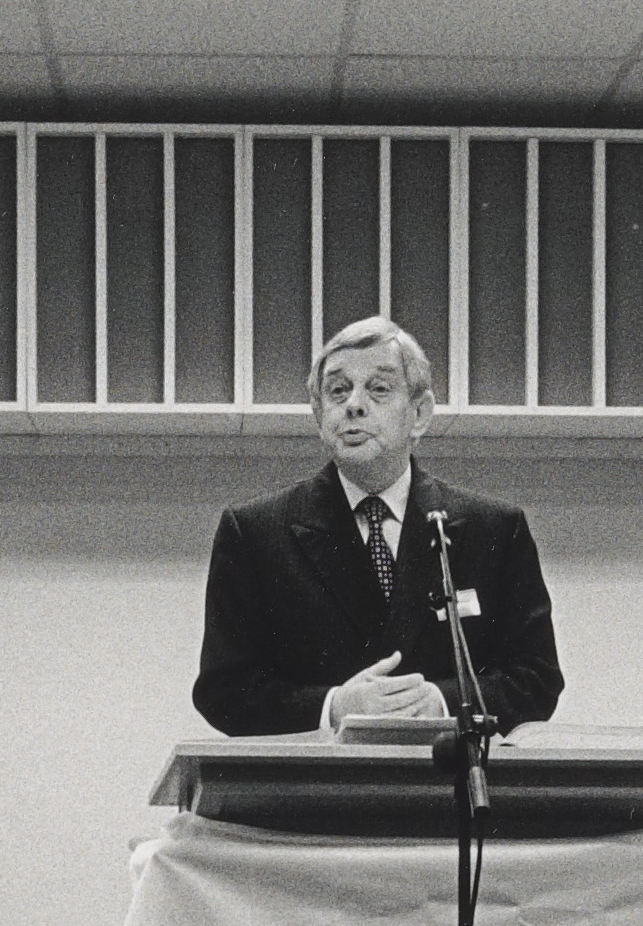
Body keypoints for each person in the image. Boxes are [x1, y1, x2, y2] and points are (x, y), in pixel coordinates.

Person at [192, 316, 564, 738]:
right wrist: (333, 707)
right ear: (318, 414)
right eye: (338, 390)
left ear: (419, 414)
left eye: (379, 389)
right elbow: (223, 690)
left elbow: (537, 679)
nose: (354, 404)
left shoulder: (494, 530)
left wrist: (441, 703)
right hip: (316, 777)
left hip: (447, 774)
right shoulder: (255, 533)